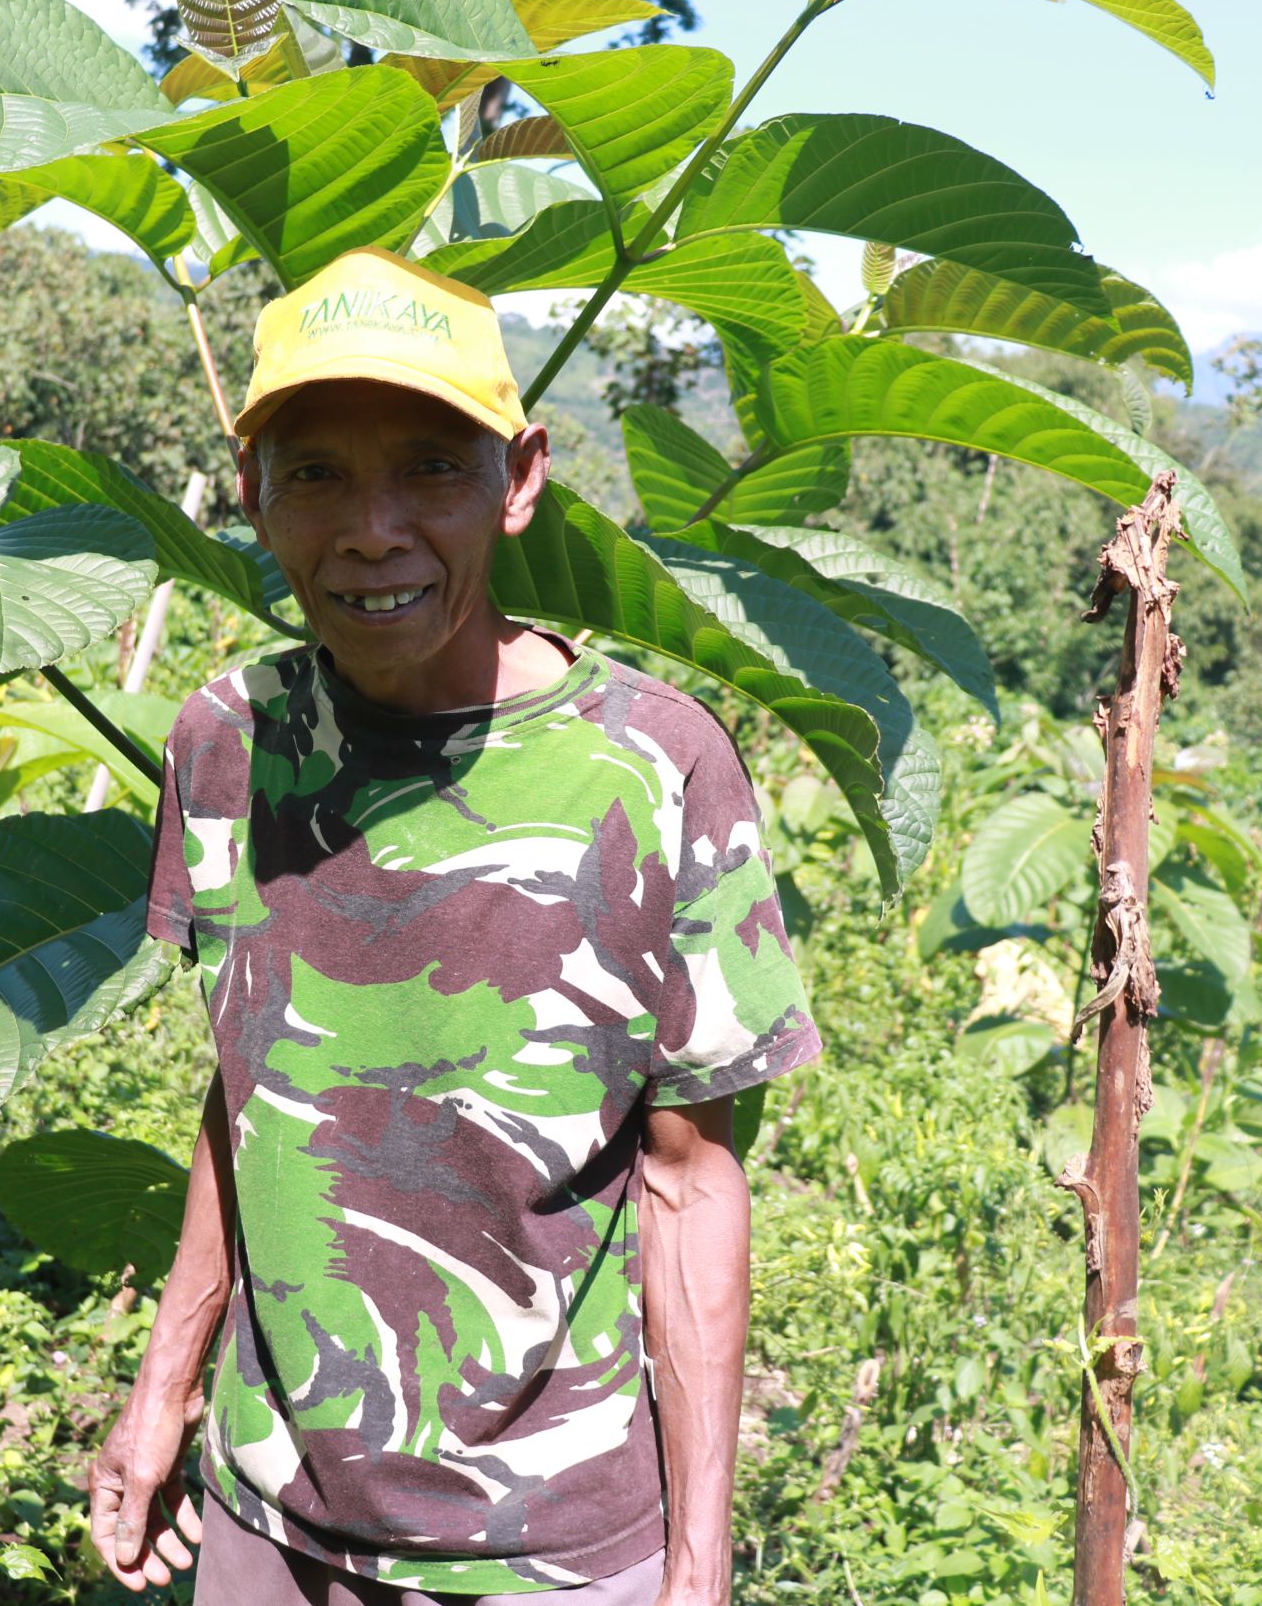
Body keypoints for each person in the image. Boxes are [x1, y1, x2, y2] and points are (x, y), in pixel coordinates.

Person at [87, 247, 820, 1606]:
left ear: (521, 476)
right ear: (250, 494)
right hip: (269, 1519)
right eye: (314, 472)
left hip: (552, 1548)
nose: (373, 529)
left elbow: (689, 1179)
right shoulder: (230, 738)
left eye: (433, 466)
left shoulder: (655, 771)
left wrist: (699, 1568)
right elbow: (248, 1091)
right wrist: (162, 1394)